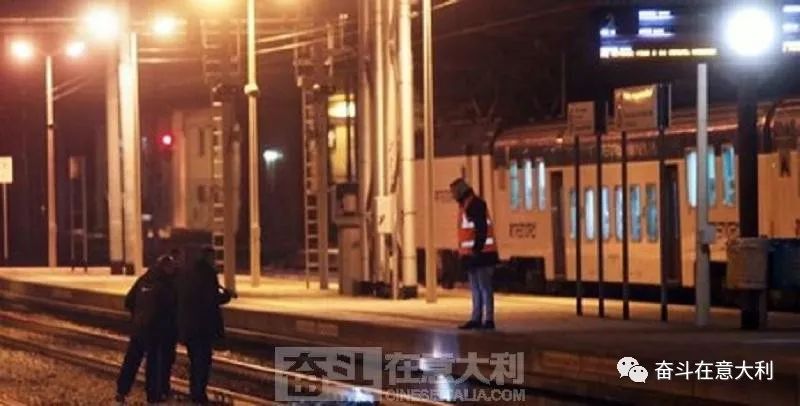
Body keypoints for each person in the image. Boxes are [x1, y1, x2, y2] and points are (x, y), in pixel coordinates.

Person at [115, 255, 177, 404]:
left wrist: (137, 316)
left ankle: (122, 390)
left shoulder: (143, 279)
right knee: (153, 363)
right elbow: (171, 308)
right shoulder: (165, 284)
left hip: (138, 327)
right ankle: (153, 395)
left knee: (131, 361)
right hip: (156, 329)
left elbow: (128, 301)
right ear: (166, 268)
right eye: (171, 268)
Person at [176, 247, 234, 404]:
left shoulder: (188, 273)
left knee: (195, 361)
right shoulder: (208, 274)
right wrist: (226, 296)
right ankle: (199, 394)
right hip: (203, 326)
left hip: (189, 326)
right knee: (203, 362)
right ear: (209, 258)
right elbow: (211, 299)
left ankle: (195, 392)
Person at [450, 178, 499, 330]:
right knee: (478, 287)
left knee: (483, 287)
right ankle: (476, 318)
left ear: (460, 192)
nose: (453, 196)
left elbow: (481, 229)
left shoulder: (475, 205)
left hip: (482, 254)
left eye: (454, 192)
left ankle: (488, 319)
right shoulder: (467, 205)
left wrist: (476, 250)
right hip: (474, 254)